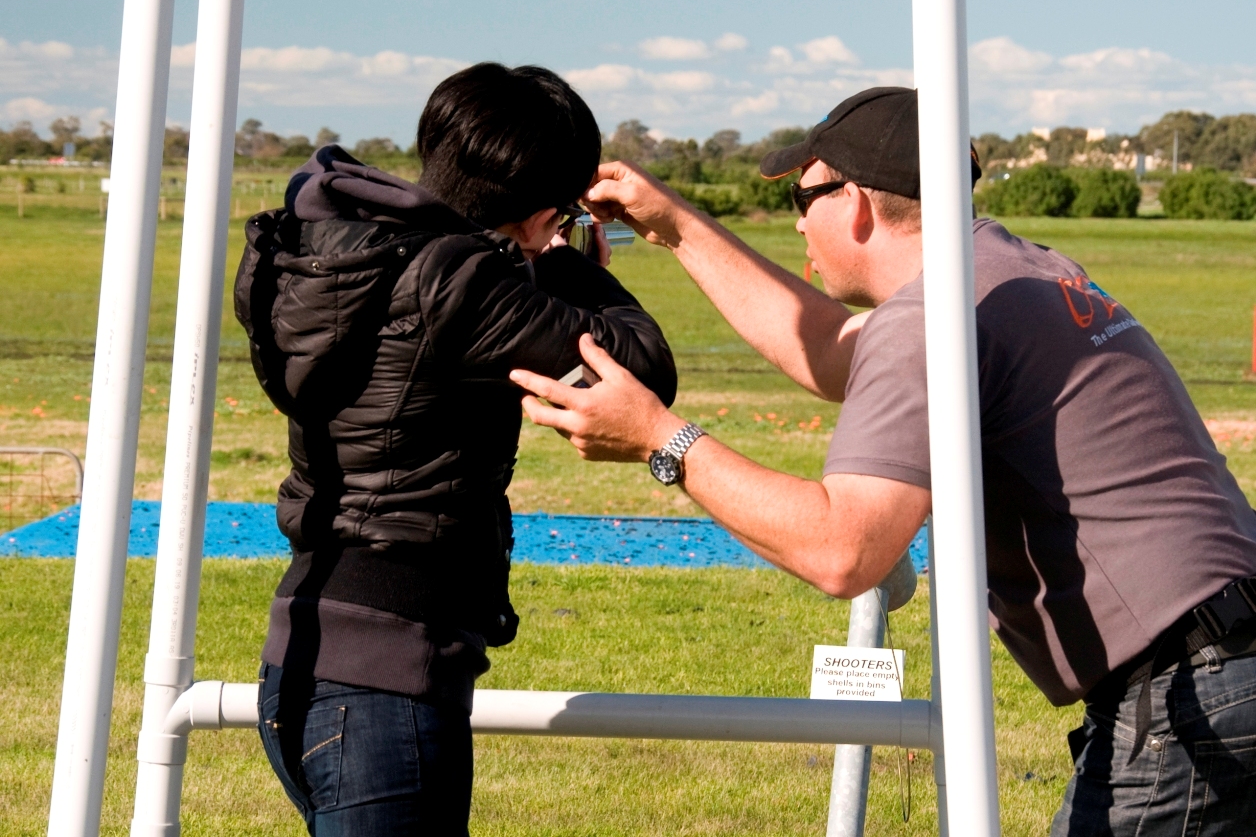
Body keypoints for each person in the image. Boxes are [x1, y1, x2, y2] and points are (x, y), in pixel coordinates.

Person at [509, 85, 1256, 836]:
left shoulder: (931, 318)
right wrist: (677, 227)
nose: (798, 221)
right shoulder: (1005, 270)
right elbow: (835, 355)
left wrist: (659, 440)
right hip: (1222, 661)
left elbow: (844, 551)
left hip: (1190, 691)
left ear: (856, 201)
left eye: (805, 197)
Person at [236, 62, 676, 836]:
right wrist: (569, 265)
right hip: (388, 681)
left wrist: (539, 246)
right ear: (543, 210)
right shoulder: (460, 279)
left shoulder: (337, 253)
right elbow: (640, 370)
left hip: (303, 652)